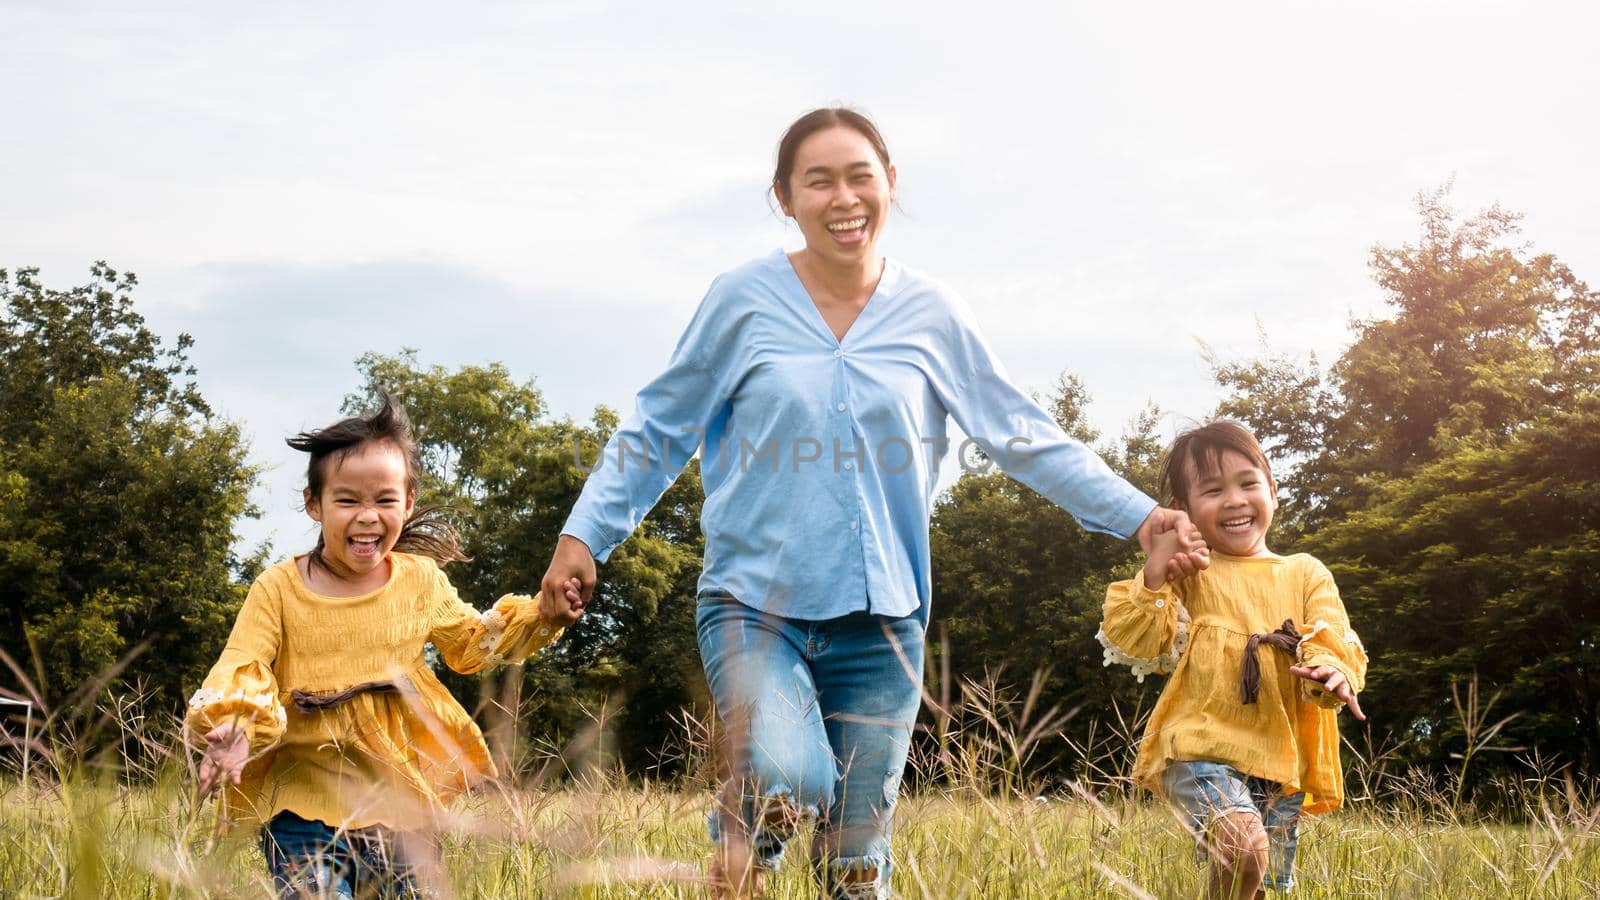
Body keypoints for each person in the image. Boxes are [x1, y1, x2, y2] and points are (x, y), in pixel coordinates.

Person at [537, 106, 1201, 899]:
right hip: (756, 605)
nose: (842, 197)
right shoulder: (742, 300)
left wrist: (1138, 514)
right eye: (818, 180)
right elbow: (659, 426)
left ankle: (753, 870)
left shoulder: (933, 313)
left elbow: (1021, 432)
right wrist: (586, 535)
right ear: (784, 197)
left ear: (891, 184)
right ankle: (740, 849)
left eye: (860, 176)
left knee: (857, 870)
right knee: (787, 778)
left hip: (884, 623)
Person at [186, 394, 578, 899]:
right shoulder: (279, 588)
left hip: (401, 805)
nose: (368, 516)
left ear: (408, 502)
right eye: (347, 500)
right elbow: (244, 661)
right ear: (314, 503)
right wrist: (237, 726)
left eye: (385, 500)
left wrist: (542, 615)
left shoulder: (420, 581)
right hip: (301, 804)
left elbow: (471, 643)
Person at [1098, 419, 1369, 899]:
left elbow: (1333, 634)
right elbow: (1136, 641)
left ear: (1274, 490)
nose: (1235, 500)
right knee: (1244, 847)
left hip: (1280, 755)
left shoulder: (1305, 572)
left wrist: (1332, 671)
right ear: (1183, 511)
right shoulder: (1192, 572)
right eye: (1213, 490)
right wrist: (1157, 569)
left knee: (1256, 880)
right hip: (1201, 743)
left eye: (1248, 483)